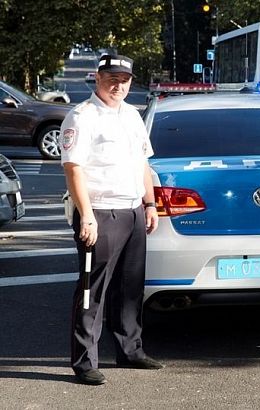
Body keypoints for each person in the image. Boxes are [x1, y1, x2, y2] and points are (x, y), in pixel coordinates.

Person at [61, 53, 163, 385]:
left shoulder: (133, 115)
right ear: (97, 78)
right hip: (100, 213)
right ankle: (84, 360)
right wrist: (86, 217)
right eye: (112, 78)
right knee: (92, 291)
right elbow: (73, 168)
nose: (118, 85)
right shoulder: (82, 117)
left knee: (131, 288)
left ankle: (130, 350)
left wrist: (150, 203)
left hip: (133, 211)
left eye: (125, 79)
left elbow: (143, 163)